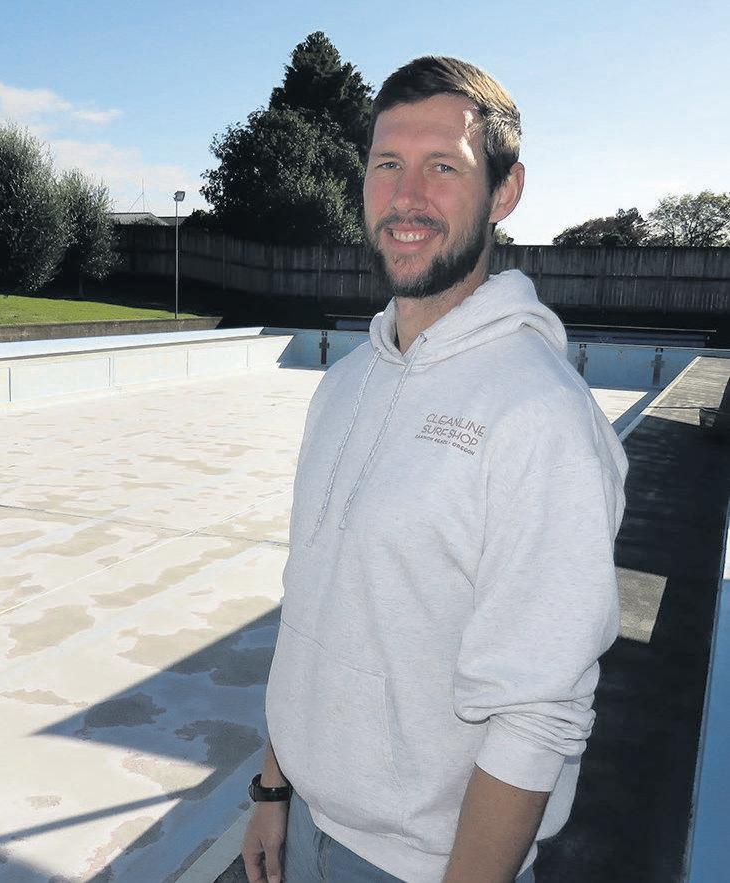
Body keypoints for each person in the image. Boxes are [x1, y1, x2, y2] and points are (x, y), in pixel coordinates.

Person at [242, 56, 628, 883]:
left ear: (503, 191)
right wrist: (273, 786)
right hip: (305, 822)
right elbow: (313, 602)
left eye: (442, 167)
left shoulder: (540, 418)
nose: (406, 196)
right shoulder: (345, 385)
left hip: (426, 864)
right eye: (387, 163)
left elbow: (537, 714)